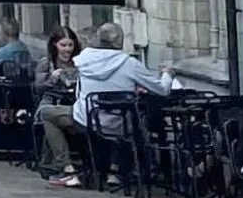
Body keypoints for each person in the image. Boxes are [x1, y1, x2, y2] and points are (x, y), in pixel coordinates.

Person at [59, 20, 173, 187]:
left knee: (50, 113)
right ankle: (121, 171)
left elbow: (73, 82)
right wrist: (167, 74)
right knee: (138, 121)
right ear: (120, 41)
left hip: (87, 120)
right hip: (120, 123)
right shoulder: (129, 63)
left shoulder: (83, 60)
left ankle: (71, 167)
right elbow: (162, 89)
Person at [32, 27, 84, 180]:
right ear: (55, 45)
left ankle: (58, 164)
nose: (67, 49)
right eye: (63, 45)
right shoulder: (47, 63)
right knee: (47, 113)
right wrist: (51, 79)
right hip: (52, 99)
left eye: (70, 45)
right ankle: (55, 163)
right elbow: (38, 87)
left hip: (73, 100)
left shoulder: (79, 61)